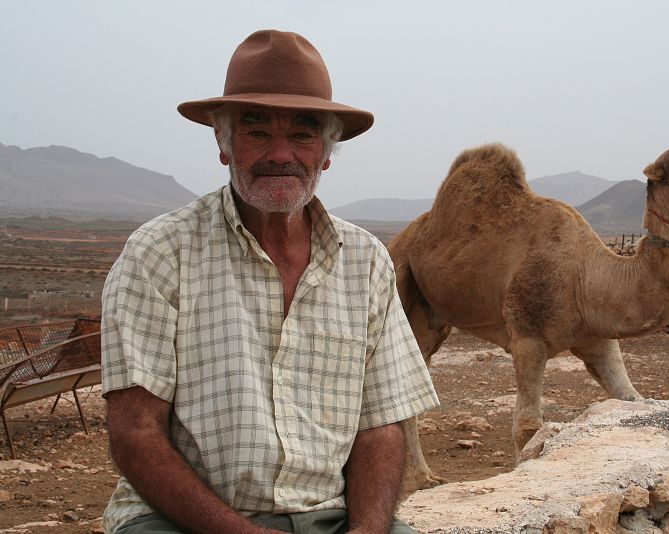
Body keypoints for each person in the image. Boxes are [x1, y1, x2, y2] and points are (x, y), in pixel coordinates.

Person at [101, 29, 438, 534]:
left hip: (330, 517)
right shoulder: (160, 253)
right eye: (256, 132)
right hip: (181, 521)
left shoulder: (366, 261)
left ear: (326, 153)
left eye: (303, 134)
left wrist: (367, 531)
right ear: (224, 145)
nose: (281, 154)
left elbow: (381, 427)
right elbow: (135, 431)